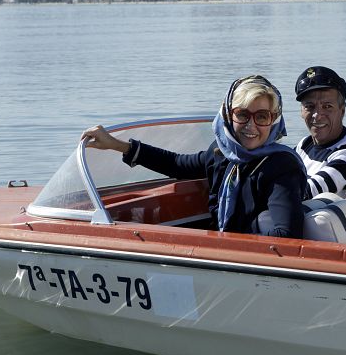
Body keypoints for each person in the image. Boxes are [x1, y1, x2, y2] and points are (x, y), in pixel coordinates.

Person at [81, 75, 306, 238]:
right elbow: (178, 165)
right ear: (228, 115)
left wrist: (238, 239)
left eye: (262, 117)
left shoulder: (281, 166)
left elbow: (286, 234)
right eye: (242, 114)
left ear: (274, 120)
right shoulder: (221, 153)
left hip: (252, 264)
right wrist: (116, 145)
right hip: (224, 251)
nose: (251, 126)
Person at [294, 66, 346, 199]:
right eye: (309, 107)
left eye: (327, 106)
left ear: (342, 111)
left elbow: (306, 193)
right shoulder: (305, 144)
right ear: (301, 111)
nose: (317, 115)